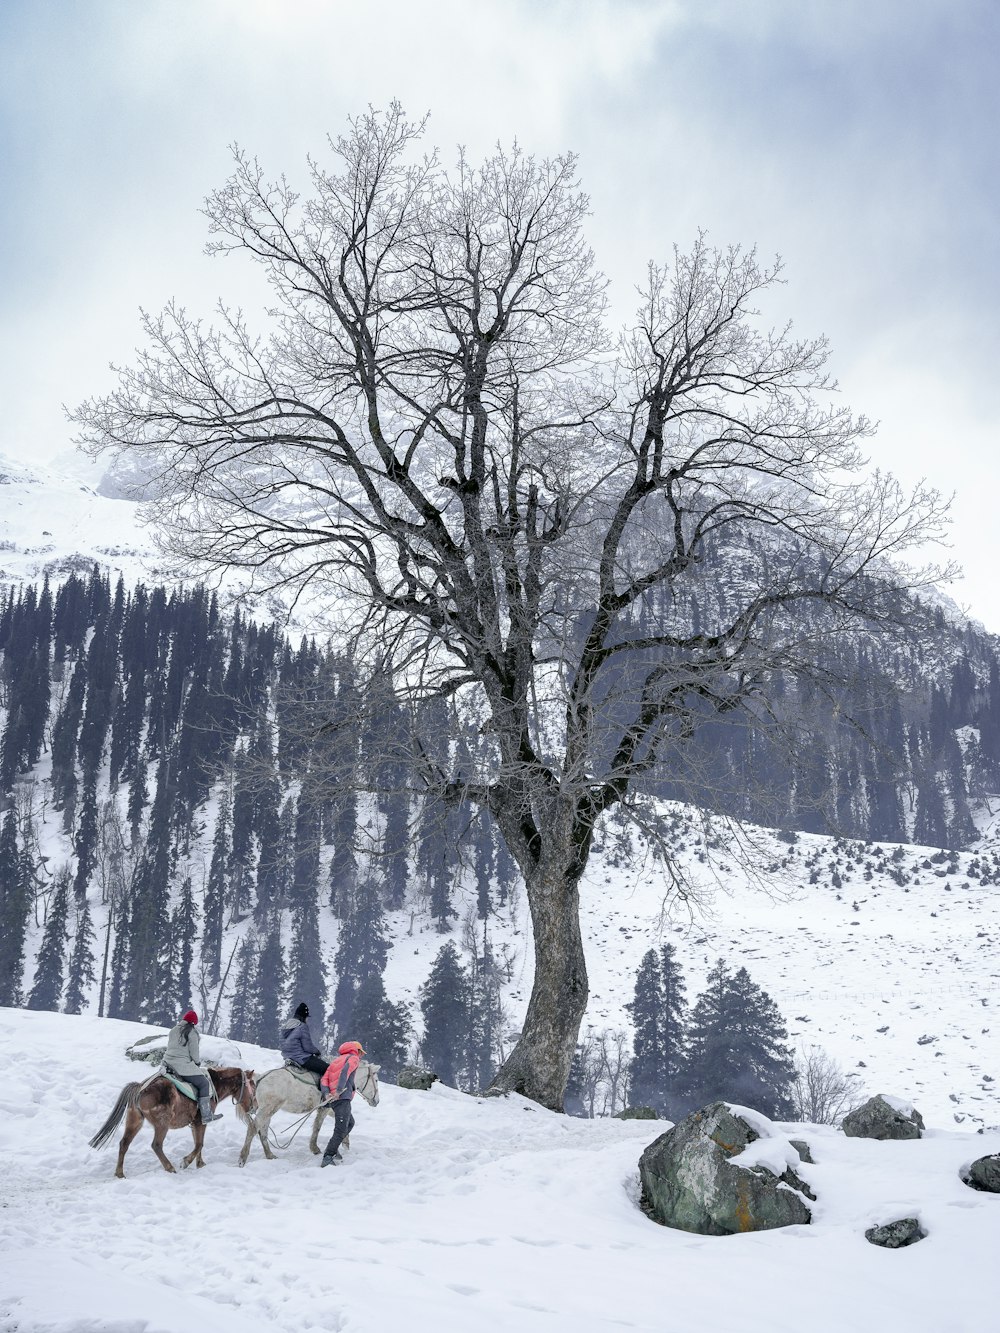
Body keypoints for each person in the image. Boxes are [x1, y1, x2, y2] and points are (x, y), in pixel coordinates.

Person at [163, 1009, 223, 1124]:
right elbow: (194, 1052)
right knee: (204, 1083)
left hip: (167, 1064)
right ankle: (206, 1115)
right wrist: (196, 1063)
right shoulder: (192, 1032)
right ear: (193, 1023)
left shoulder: (173, 1030)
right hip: (182, 1067)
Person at [319, 1040, 365, 1167]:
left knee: (350, 1122)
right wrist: (338, 1091)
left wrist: (326, 1093)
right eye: (361, 1052)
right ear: (357, 1050)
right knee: (341, 1129)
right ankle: (328, 1156)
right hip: (342, 1098)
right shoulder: (353, 1058)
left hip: (333, 1099)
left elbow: (324, 1078)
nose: (361, 1055)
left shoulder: (336, 1060)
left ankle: (334, 1147)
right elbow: (344, 1073)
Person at [279, 1001, 328, 1080]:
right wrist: (317, 1051)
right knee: (327, 1069)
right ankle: (325, 1091)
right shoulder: (302, 1026)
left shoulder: (285, 1027)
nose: (306, 1020)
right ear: (303, 1017)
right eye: (306, 1017)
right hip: (302, 1058)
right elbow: (307, 1047)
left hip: (288, 1057)